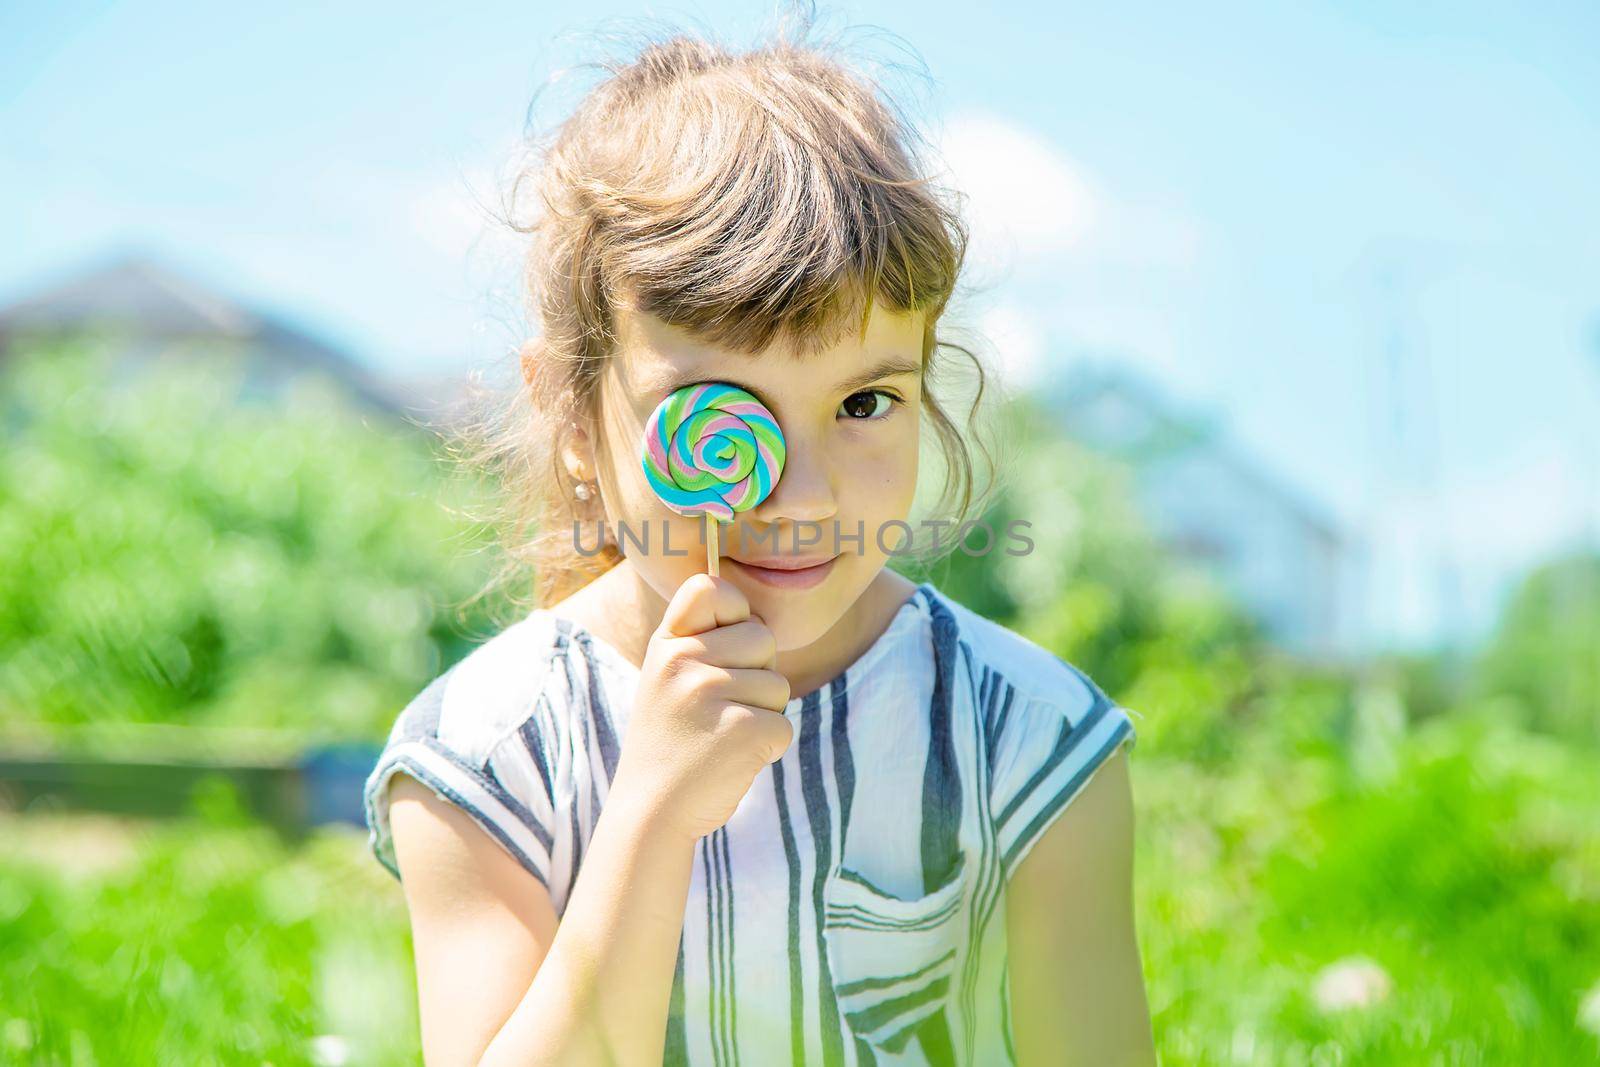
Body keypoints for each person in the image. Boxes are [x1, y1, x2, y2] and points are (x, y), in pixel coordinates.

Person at [362, 14, 1156, 1067]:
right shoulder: (487, 759)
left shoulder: (1030, 744)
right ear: (569, 412)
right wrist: (648, 812)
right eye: (718, 409)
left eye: (864, 400)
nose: (800, 493)